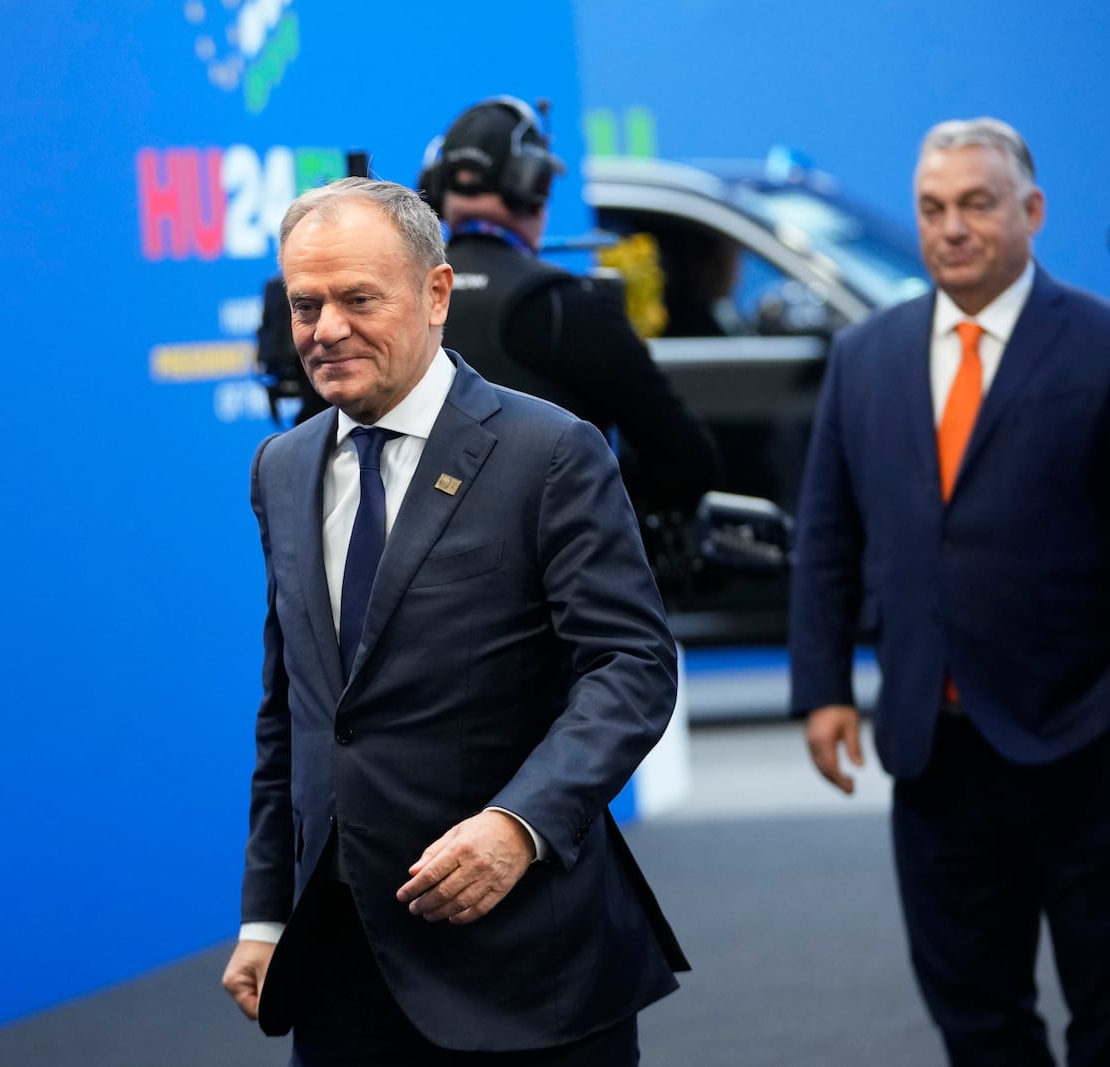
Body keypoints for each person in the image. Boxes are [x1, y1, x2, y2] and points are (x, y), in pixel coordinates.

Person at [222, 177, 688, 1065]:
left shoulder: (549, 451)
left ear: (437, 295)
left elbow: (631, 666)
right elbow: (296, 712)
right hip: (341, 969)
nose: (326, 330)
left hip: (524, 966)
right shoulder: (280, 468)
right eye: (306, 303)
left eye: (358, 298)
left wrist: (519, 823)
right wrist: (267, 911)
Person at [790, 118, 1110, 1065]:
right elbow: (829, 536)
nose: (953, 227)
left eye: (976, 203)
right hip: (935, 751)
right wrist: (822, 688)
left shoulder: (1098, 346)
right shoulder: (868, 356)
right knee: (974, 1009)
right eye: (934, 208)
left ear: (1032, 211)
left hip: (1084, 742)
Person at [419, 95, 721, 517]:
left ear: (434, 184)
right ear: (536, 184)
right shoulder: (571, 307)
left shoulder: (396, 299)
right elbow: (688, 461)